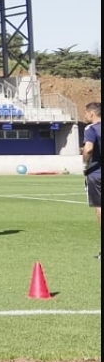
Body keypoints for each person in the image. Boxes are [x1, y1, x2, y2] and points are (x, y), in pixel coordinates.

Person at [83, 102, 101, 259]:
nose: (85, 116)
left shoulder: (91, 129)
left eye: (86, 113)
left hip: (97, 174)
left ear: (92, 114)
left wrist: (85, 162)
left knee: (100, 208)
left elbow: (88, 148)